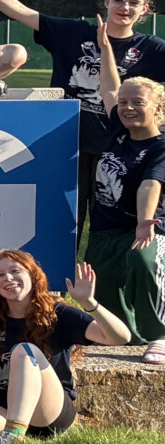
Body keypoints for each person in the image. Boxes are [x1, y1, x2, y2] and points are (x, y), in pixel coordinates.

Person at [0, 0, 164, 232]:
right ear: (107, 2)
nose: (125, 7)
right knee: (60, 226)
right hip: (65, 143)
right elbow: (22, 12)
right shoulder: (74, 33)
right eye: (119, 0)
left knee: (110, 226)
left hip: (115, 150)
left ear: (145, 9)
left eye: (134, 3)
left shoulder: (150, 48)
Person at [0, 243, 127, 444]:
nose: (8, 278)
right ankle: (9, 436)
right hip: (2, 403)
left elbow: (120, 337)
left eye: (15, 271)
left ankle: (12, 435)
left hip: (48, 408)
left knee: (24, 351)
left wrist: (90, 304)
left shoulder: (58, 313)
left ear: (33, 276)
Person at [83, 25, 165, 362]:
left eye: (138, 103)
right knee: (104, 286)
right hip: (106, 229)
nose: (128, 107)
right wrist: (105, 49)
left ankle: (159, 334)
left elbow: (151, 184)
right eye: (125, 103)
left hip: (145, 228)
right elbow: (109, 88)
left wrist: (145, 222)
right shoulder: (118, 130)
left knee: (143, 262)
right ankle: (126, 336)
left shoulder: (160, 146)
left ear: (157, 109)